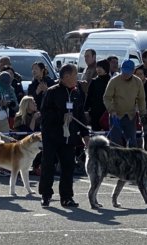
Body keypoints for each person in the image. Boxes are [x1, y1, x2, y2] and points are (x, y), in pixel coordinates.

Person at [38, 63, 89, 208]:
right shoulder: (52, 92)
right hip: (52, 136)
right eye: (75, 75)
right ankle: (46, 195)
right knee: (48, 165)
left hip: (70, 137)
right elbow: (45, 115)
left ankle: (67, 197)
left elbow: (80, 114)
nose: (77, 79)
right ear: (66, 76)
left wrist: (85, 134)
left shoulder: (77, 93)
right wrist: (61, 116)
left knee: (68, 167)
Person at [103, 59, 146, 147]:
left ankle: (131, 160)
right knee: (115, 143)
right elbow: (107, 97)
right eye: (124, 71)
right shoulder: (114, 81)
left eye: (128, 72)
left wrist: (143, 114)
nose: (125, 74)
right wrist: (111, 110)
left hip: (130, 116)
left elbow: (141, 99)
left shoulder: (138, 82)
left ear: (133, 71)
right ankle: (116, 160)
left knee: (132, 142)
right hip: (116, 116)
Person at [84, 58, 111, 131]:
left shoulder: (112, 81)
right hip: (96, 111)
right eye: (97, 67)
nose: (98, 69)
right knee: (96, 132)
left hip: (108, 111)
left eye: (101, 67)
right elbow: (89, 96)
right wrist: (86, 109)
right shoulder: (94, 81)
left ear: (106, 68)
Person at [0, 70, 18, 134]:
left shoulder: (10, 89)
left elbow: (16, 106)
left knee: (6, 139)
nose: (5, 86)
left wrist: (9, 103)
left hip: (4, 117)